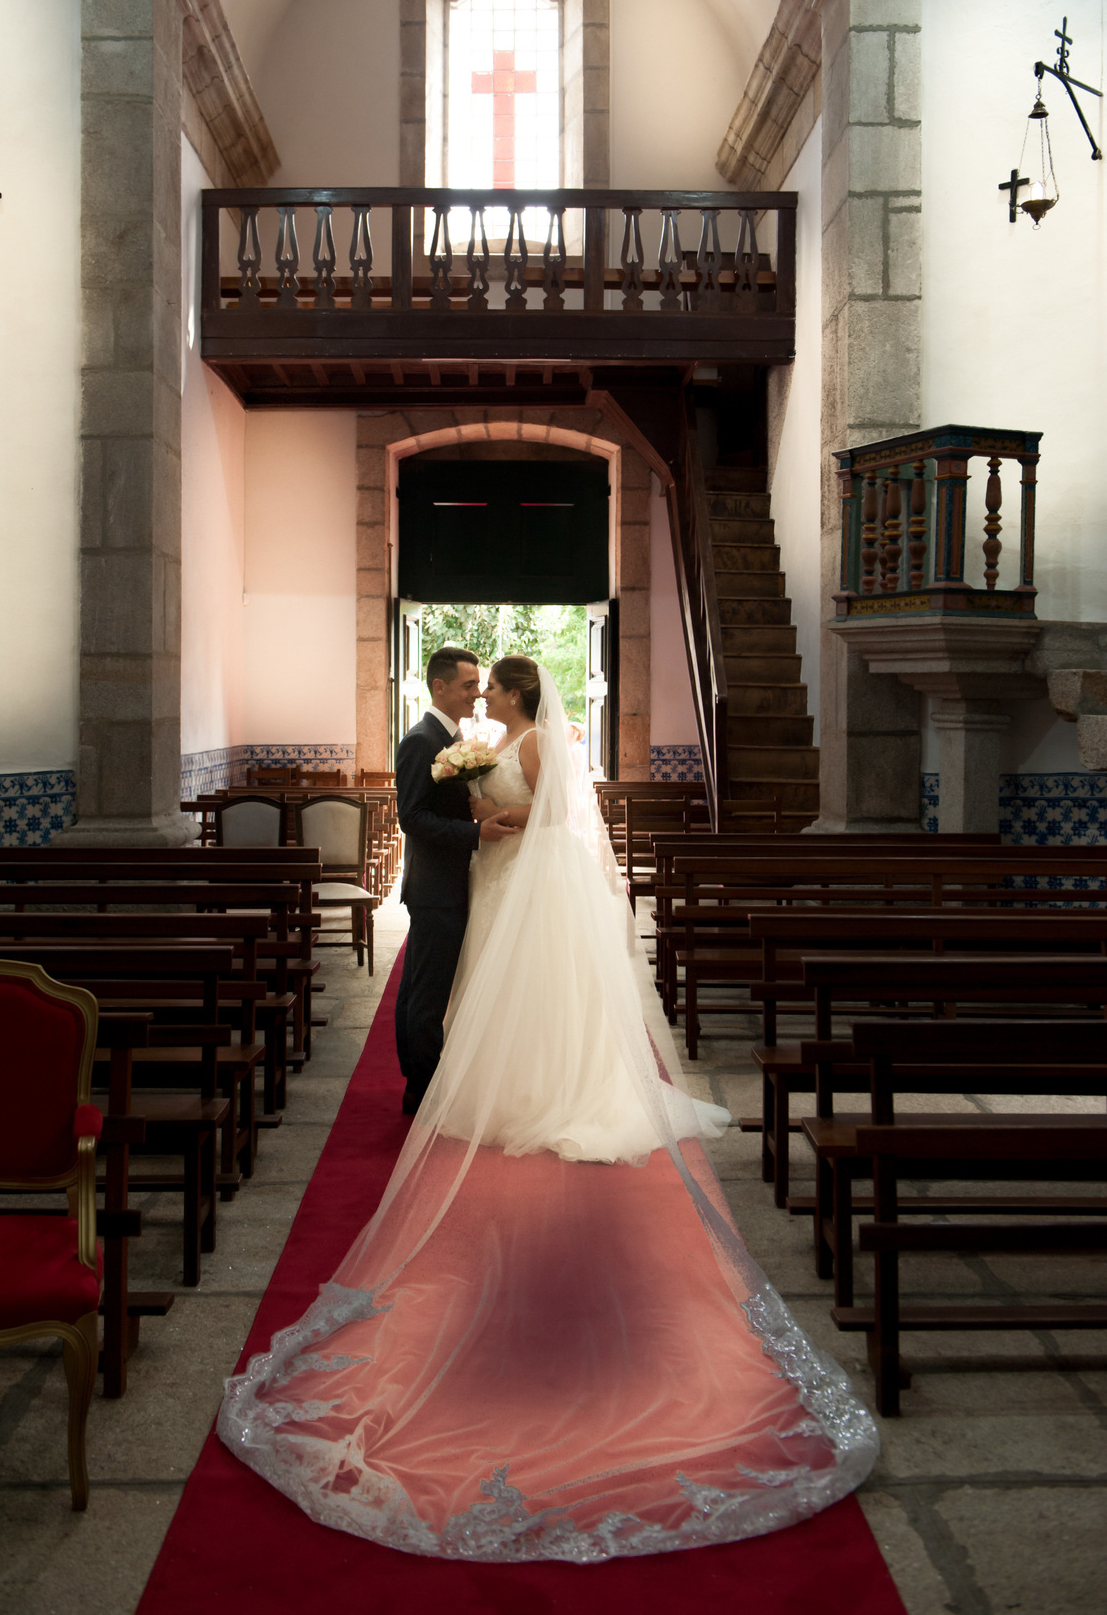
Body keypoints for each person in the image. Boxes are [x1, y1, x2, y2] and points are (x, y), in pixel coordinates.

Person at [219, 659, 878, 1562]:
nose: (482, 699)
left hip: (519, 877)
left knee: (518, 993)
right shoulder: (473, 743)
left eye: (493, 690)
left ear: (522, 697)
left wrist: (504, 816)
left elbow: (560, 814)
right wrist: (484, 820)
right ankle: (478, 1078)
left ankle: (538, 1084)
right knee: (478, 991)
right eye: (476, 689)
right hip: (491, 880)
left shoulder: (538, 741)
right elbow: (467, 812)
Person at [391, 646, 513, 1116]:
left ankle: (420, 1081)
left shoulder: (453, 736)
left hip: (450, 883)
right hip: (435, 887)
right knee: (426, 992)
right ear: (439, 687)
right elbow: (413, 818)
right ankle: (420, 1090)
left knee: (425, 987)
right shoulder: (421, 741)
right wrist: (475, 833)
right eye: (468, 685)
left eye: (480, 684)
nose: (477, 693)